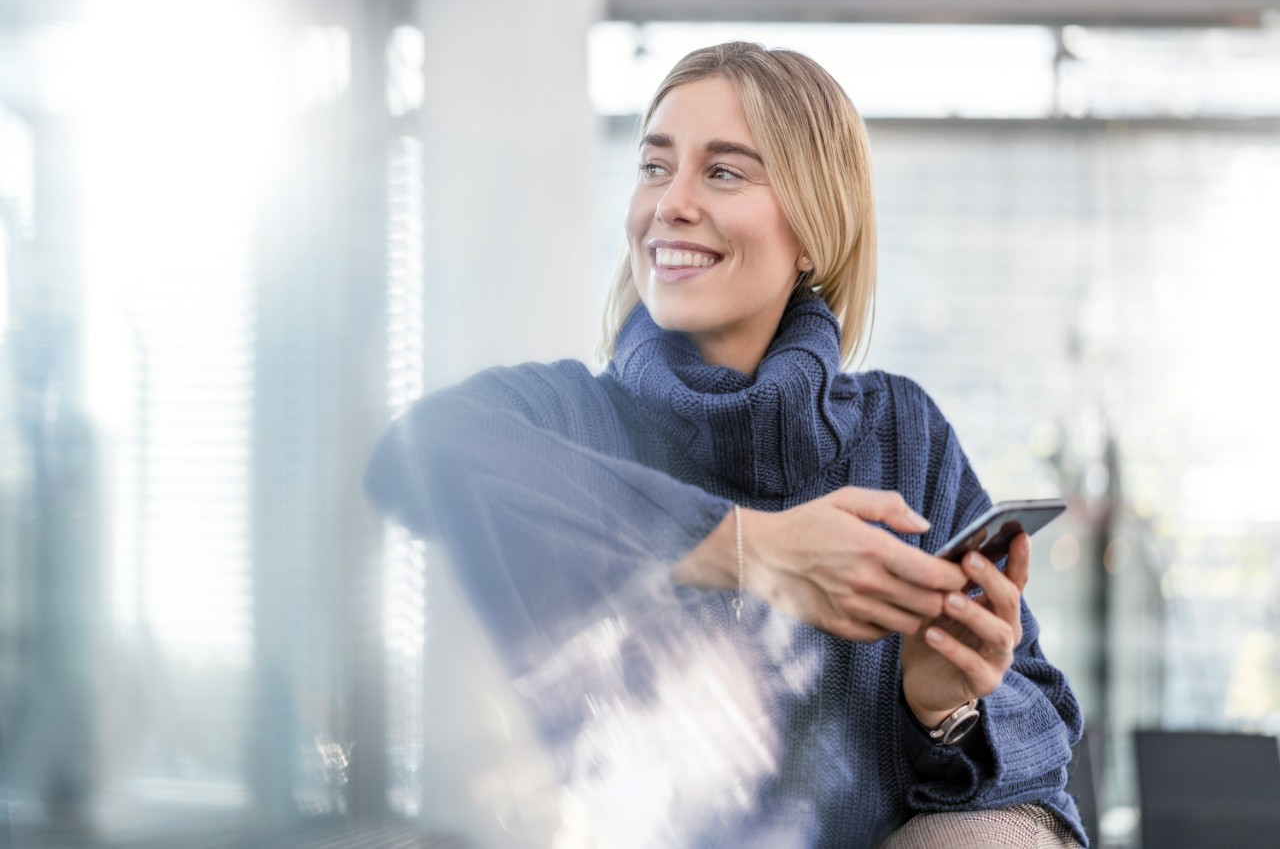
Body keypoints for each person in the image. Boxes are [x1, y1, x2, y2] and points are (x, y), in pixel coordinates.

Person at [366, 41, 1086, 848]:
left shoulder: (901, 431)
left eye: (723, 172)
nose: (668, 203)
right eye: (653, 166)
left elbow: (1044, 734)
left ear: (813, 230)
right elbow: (419, 449)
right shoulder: (563, 415)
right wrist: (747, 545)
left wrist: (945, 710)